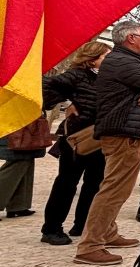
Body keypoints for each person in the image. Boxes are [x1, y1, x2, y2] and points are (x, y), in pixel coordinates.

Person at [74, 21, 140, 267]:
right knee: (114, 190)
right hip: (124, 133)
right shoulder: (124, 61)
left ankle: (107, 232)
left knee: (116, 188)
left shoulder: (124, 61)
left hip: (125, 130)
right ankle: (90, 246)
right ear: (131, 38)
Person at [39, 41, 110, 245]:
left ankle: (83, 224)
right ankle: (52, 228)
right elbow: (45, 84)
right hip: (76, 136)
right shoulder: (77, 75)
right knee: (67, 182)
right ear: (92, 59)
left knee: (94, 183)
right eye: (106, 56)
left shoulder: (106, 77)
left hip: (98, 136)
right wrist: (68, 103)